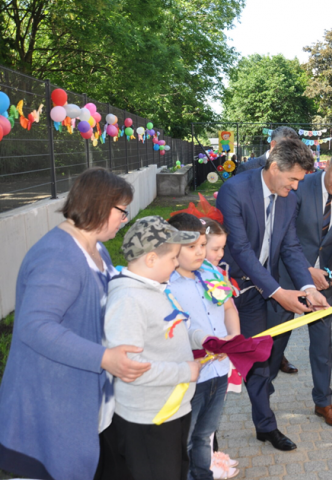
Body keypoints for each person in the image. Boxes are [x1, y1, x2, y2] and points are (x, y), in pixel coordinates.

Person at [0, 168, 150, 480]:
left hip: (77, 397)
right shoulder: (58, 254)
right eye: (122, 211)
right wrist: (103, 358)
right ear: (99, 205)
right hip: (50, 399)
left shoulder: (97, 248)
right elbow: (35, 326)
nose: (125, 218)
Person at [216, 137, 328, 452]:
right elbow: (240, 249)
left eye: (300, 181)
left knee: (259, 361)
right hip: (221, 292)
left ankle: (265, 427)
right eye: (292, 179)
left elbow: (290, 246)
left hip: (255, 292)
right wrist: (279, 293)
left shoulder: (290, 198)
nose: (295, 187)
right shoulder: (235, 190)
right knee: (210, 365)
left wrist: (307, 287)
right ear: (274, 167)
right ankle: (204, 442)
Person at [104, 216, 207, 480]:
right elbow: (129, 367)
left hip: (173, 409)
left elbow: (176, 327)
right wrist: (185, 372)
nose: (176, 263)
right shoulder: (128, 300)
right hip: (149, 418)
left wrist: (205, 341)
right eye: (173, 257)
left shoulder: (157, 287)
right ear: (151, 259)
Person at [275, 146, 332, 427]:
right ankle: (261, 397)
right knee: (276, 339)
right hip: (287, 277)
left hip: (322, 282)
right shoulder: (301, 186)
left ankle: (323, 401)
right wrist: (306, 270)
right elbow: (283, 235)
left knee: (323, 345)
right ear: (327, 166)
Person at [167, 214, 241, 480]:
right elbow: (174, 330)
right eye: (191, 247)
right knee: (185, 439)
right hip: (192, 374)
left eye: (201, 245)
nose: (200, 252)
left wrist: (234, 338)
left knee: (205, 435)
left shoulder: (211, 272)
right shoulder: (167, 285)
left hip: (218, 370)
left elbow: (228, 307)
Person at [234, 127, 302, 375]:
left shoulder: (290, 185)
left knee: (273, 323)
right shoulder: (247, 169)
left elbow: (288, 238)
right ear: (273, 146)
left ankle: (276, 356)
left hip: (271, 262)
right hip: (240, 270)